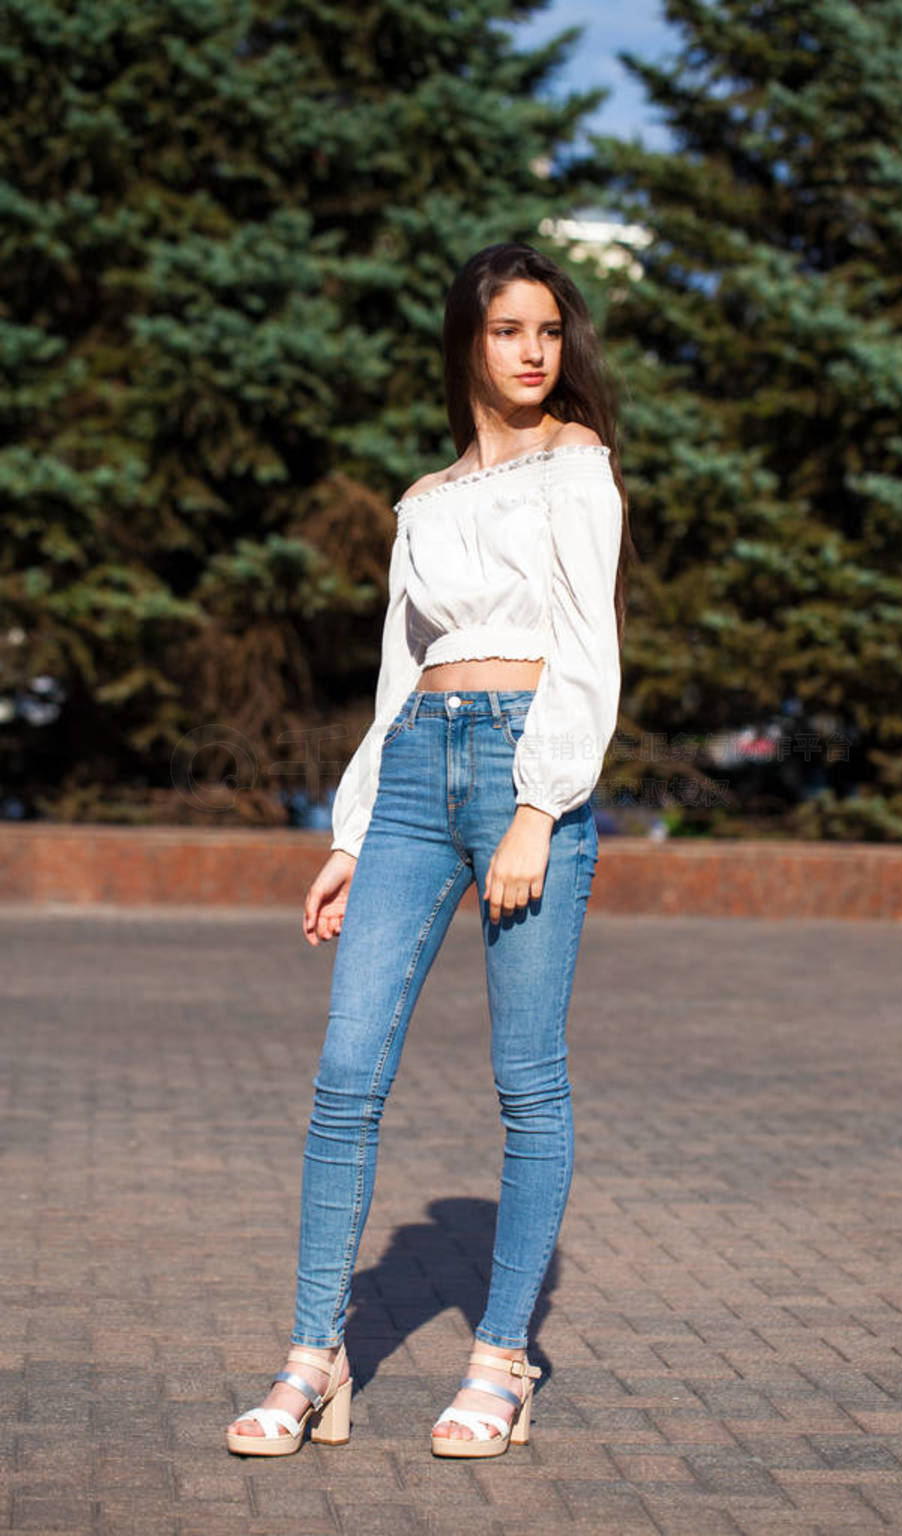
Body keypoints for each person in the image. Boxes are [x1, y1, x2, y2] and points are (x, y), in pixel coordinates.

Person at [226, 241, 631, 1460]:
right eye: (509, 330)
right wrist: (351, 835)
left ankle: (501, 1361)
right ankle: (314, 1360)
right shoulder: (428, 497)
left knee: (527, 1084)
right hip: (411, 775)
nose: (531, 352)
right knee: (345, 1078)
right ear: (468, 338)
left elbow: (589, 653)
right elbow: (399, 675)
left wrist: (535, 807)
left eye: (548, 332)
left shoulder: (577, 466)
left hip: (525, 769)